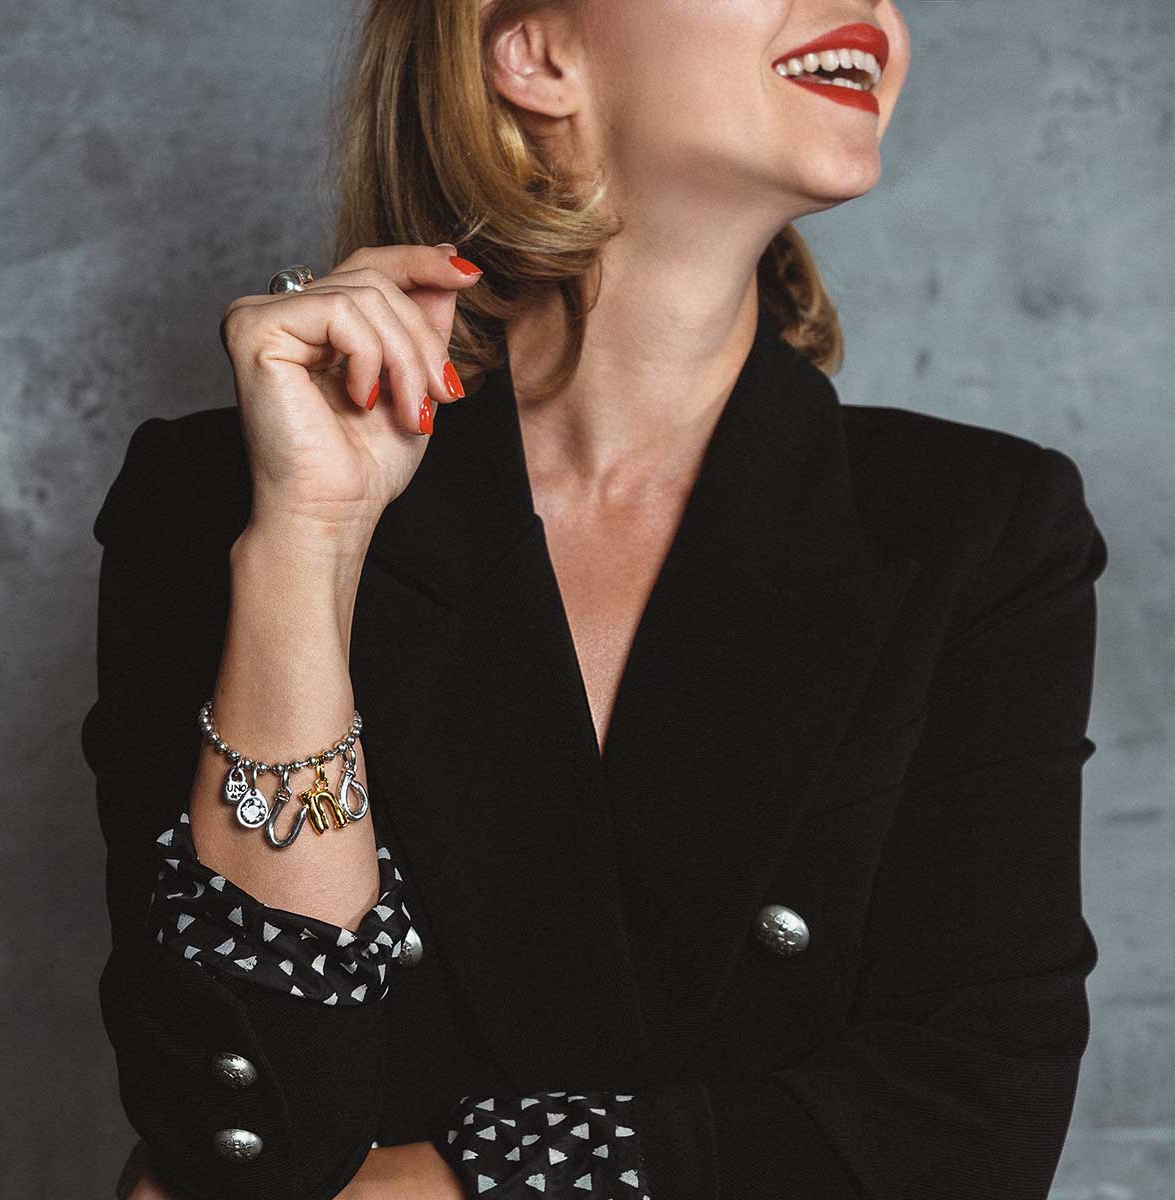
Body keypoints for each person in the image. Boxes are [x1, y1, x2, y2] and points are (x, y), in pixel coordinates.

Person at [83, 1, 1108, 1198]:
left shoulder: (976, 530)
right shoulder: (224, 497)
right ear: (536, 53)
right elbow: (251, 1130)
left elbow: (969, 1128)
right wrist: (308, 545)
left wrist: (462, 1182)